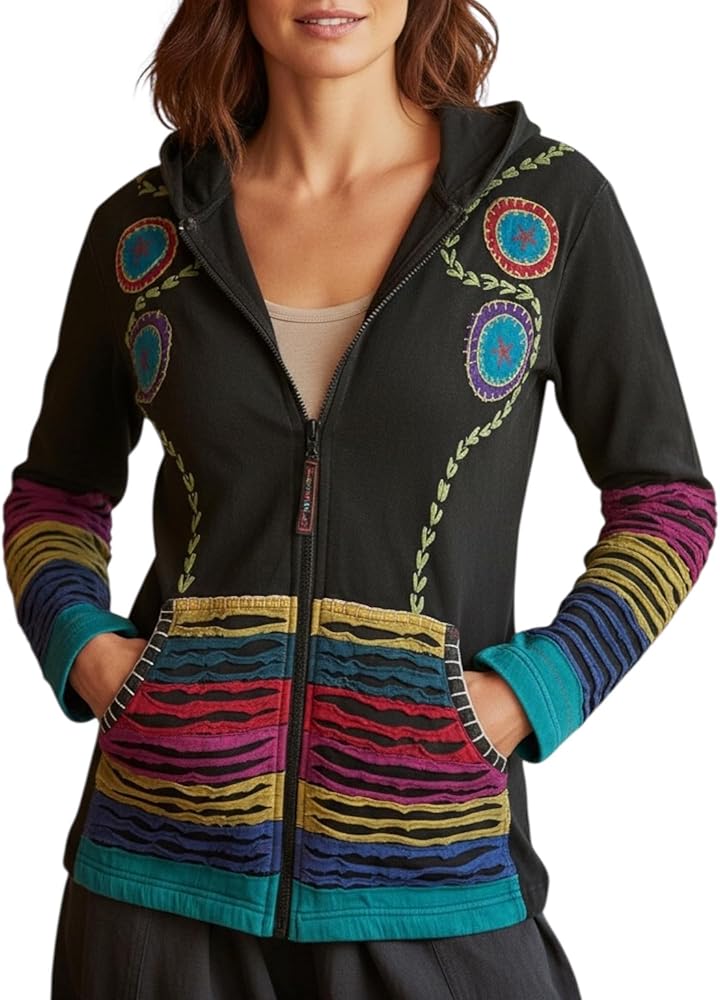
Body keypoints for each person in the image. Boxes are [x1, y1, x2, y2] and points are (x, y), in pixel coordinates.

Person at [2, 1, 715, 997]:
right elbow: (56, 493)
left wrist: (528, 696)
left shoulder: (549, 208)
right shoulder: (143, 230)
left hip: (434, 868)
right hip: (156, 880)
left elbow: (666, 503)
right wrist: (89, 653)